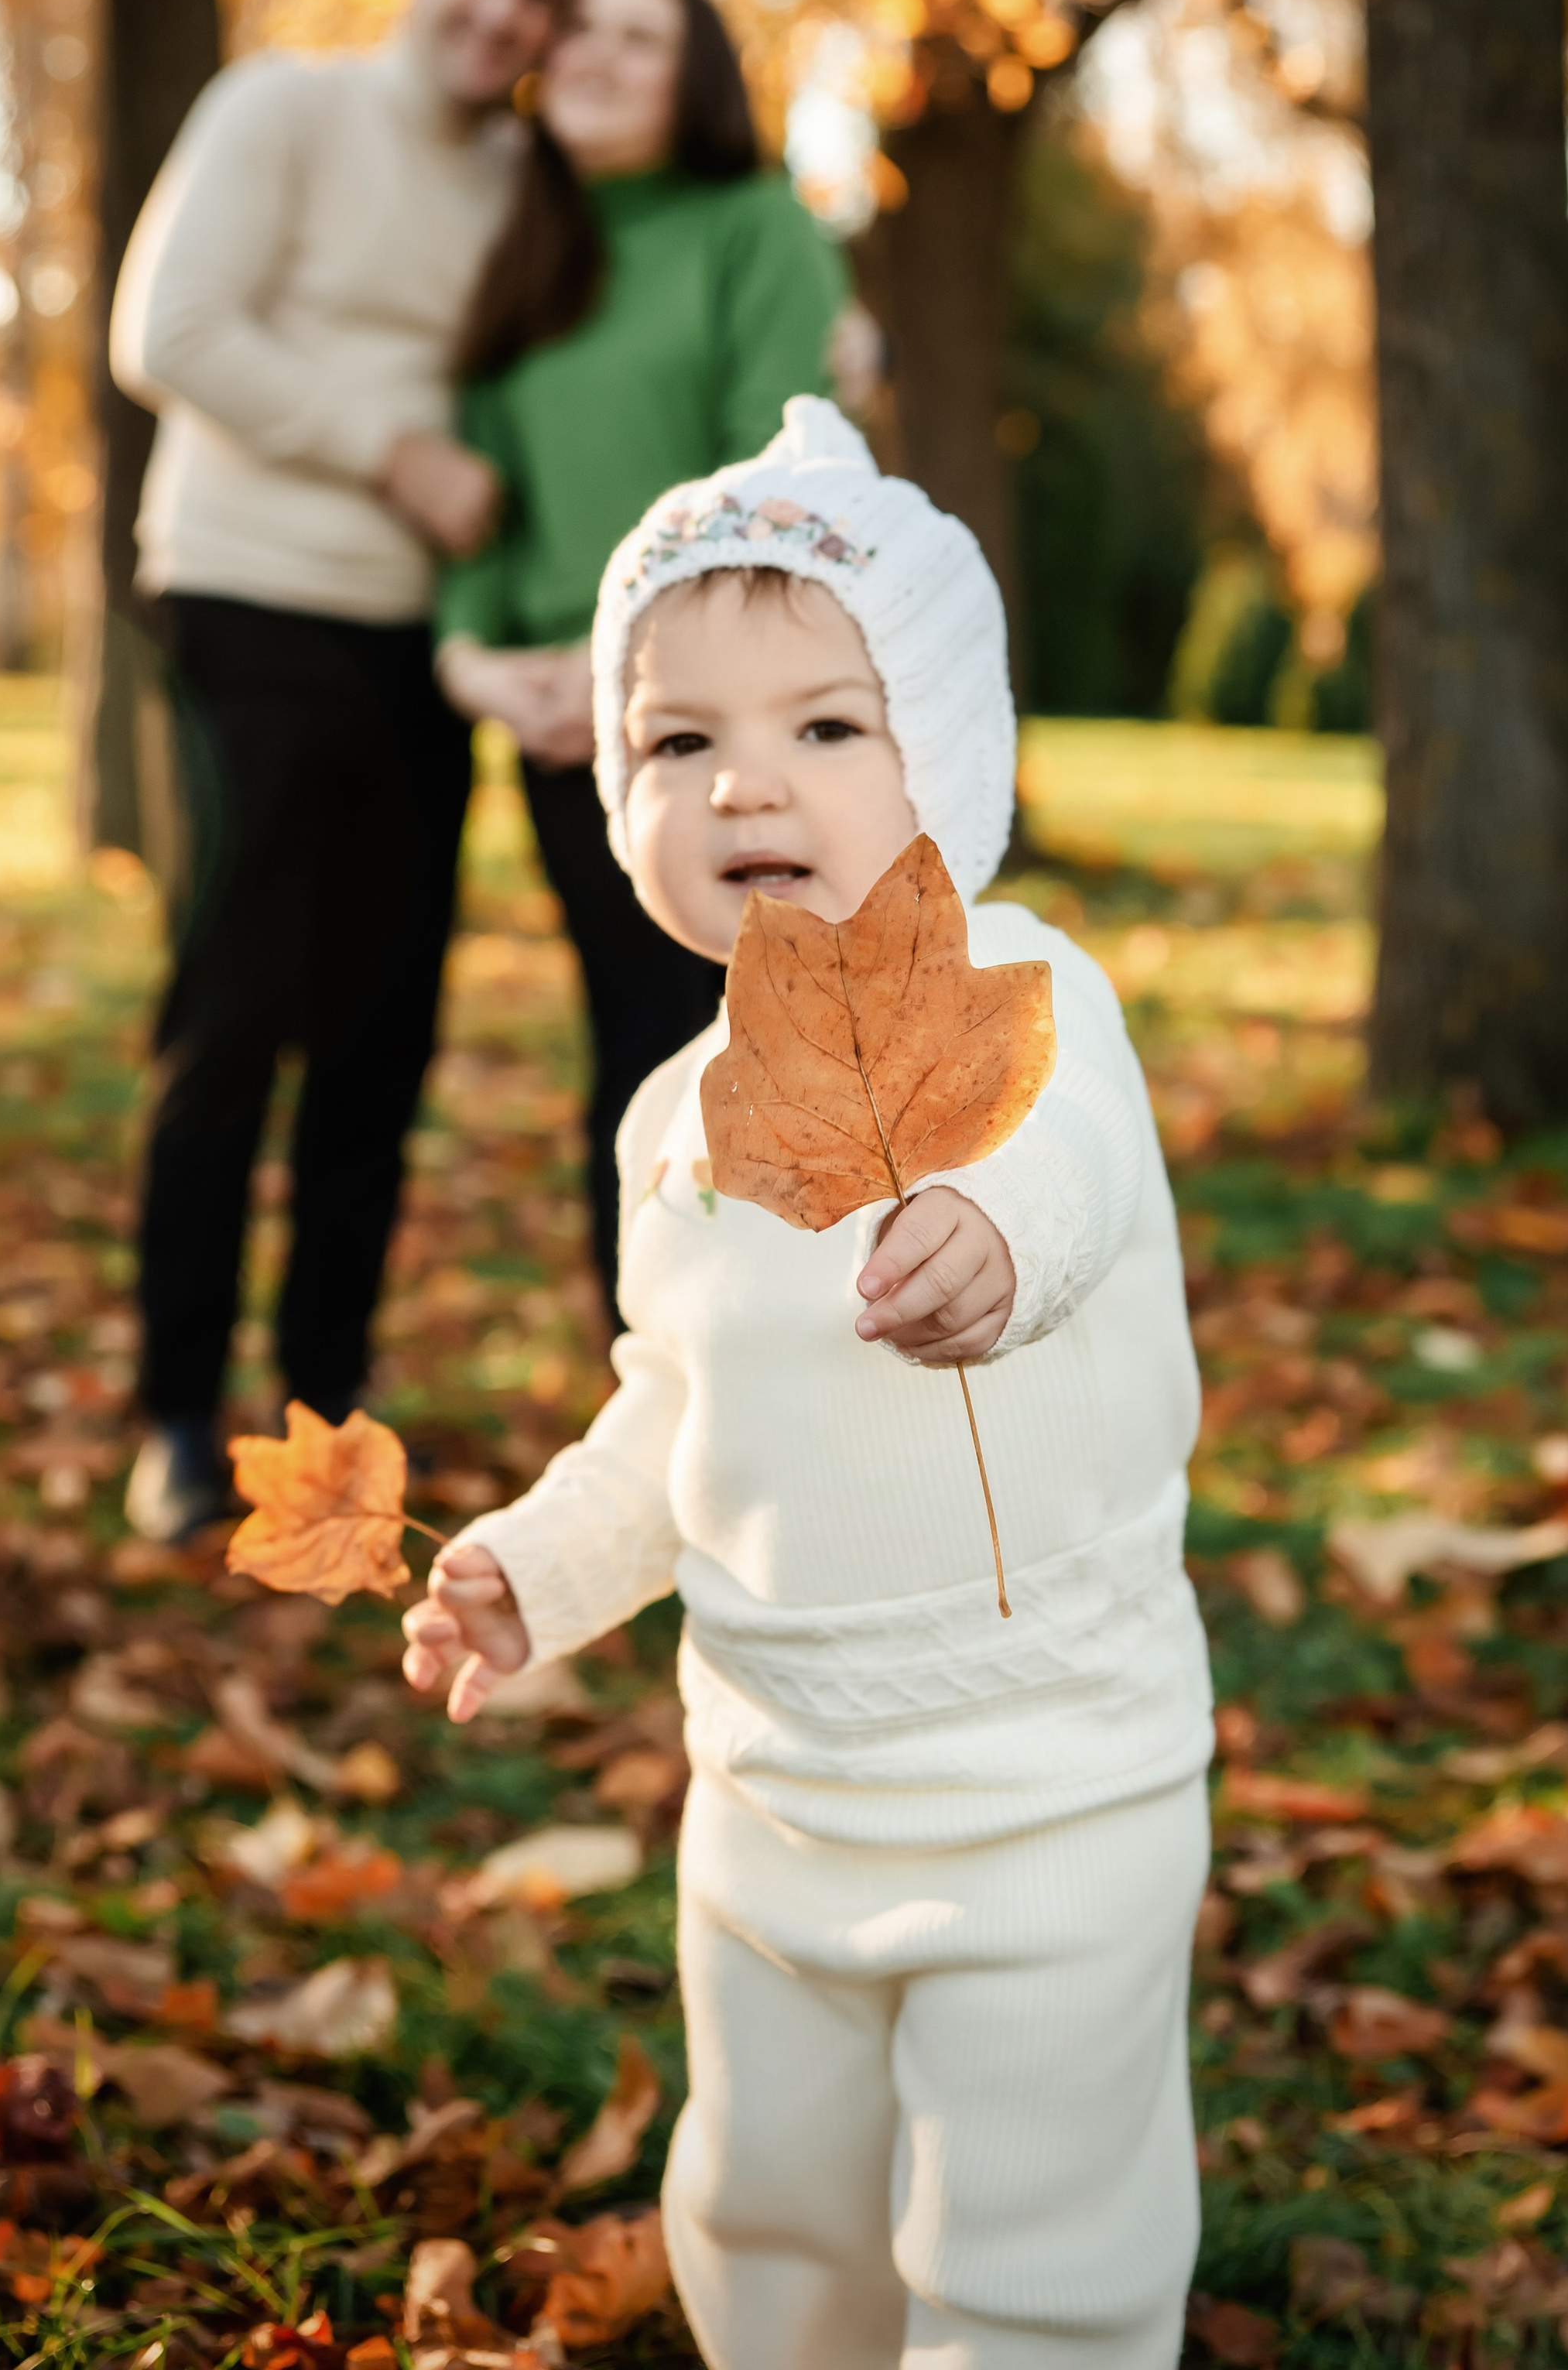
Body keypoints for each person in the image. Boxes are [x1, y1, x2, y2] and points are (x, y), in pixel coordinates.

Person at [404, 399, 1213, 2370]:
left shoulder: (1027, 990)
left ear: (944, 756)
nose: (745, 784)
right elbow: (673, 1410)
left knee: (1033, 2227)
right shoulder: (673, 1115)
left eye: (825, 728)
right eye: (679, 741)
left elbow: (1078, 1171)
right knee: (770, 2203)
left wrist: (1002, 1239)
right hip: (771, 1785)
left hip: (1052, 1781)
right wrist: (547, 1564)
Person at [108, 0, 591, 1543]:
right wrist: (389, 452)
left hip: (418, 646)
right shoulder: (285, 111)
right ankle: (175, 1417)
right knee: (237, 1013)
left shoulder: (536, 178)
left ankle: (320, 1439)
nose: (501, 14)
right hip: (245, 598)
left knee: (383, 1041)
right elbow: (164, 329)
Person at [433, 0, 847, 1309]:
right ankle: (654, 1386)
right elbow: (480, 498)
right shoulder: (527, 252)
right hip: (562, 727)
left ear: (699, 77)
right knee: (630, 1054)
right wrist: (478, 662)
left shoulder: (758, 227)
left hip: (714, 723)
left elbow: (766, 482)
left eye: (638, 37)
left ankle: (780, 1371)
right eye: (583, 30)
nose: (596, 55)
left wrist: (626, 675)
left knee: (731, 1046)